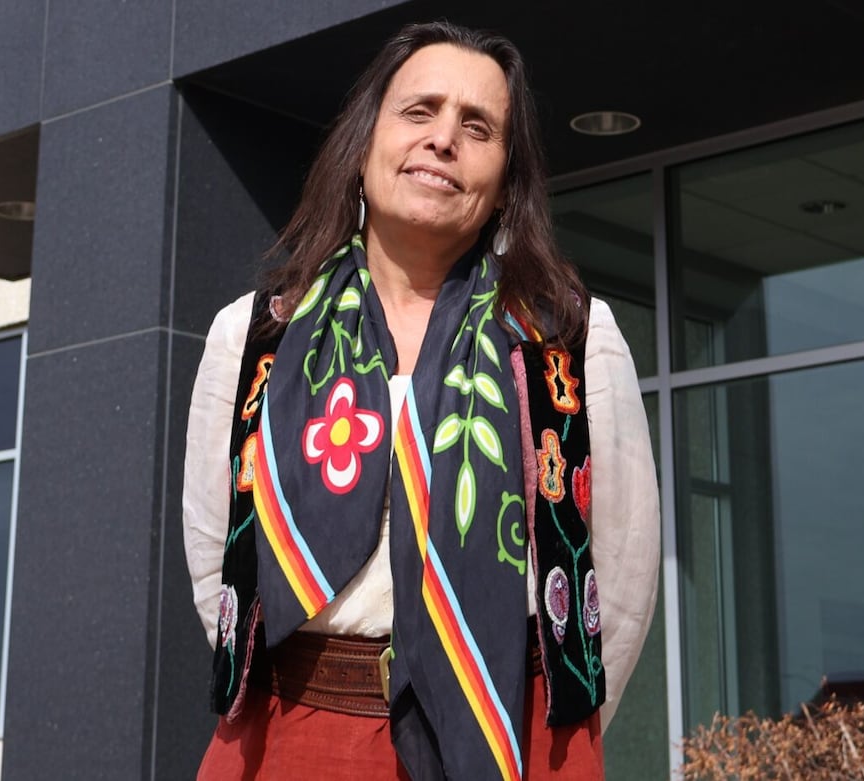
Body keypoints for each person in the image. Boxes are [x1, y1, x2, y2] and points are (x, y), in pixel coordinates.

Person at [183, 21, 659, 781]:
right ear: (364, 143)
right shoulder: (252, 334)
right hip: (295, 736)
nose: (444, 139)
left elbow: (625, 577)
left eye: (478, 127)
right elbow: (214, 554)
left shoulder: (571, 337)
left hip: (514, 735)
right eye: (419, 111)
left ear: (506, 179)